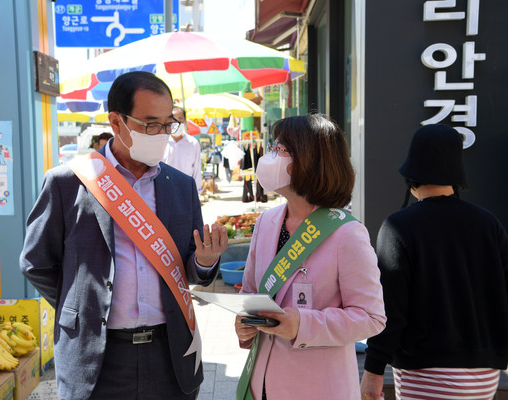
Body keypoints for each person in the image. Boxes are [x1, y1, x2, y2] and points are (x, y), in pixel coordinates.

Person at [20, 71, 228, 400]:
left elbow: (188, 264)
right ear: (116, 122)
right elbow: (36, 263)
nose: (161, 134)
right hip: (96, 359)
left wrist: (203, 262)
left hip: (169, 355)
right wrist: (80, 305)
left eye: (167, 124)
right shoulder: (66, 182)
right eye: (149, 124)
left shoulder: (181, 187)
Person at [360, 124, 508, 400]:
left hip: (423, 369)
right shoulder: (487, 223)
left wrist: (372, 371)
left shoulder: (399, 226)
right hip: (485, 370)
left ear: (411, 174)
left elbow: (392, 308)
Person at [234, 114, 386, 399]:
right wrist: (246, 325)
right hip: (261, 382)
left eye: (280, 150)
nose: (270, 157)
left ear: (310, 160)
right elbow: (253, 293)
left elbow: (371, 317)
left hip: (317, 387)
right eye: (273, 148)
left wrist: (304, 324)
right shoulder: (266, 221)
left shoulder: (346, 233)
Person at [162, 106, 203, 192]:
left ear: (184, 121)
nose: (176, 123)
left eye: (180, 119)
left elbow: (197, 170)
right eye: (173, 119)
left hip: (186, 191)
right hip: (165, 190)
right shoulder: (162, 142)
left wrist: (197, 192)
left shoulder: (193, 144)